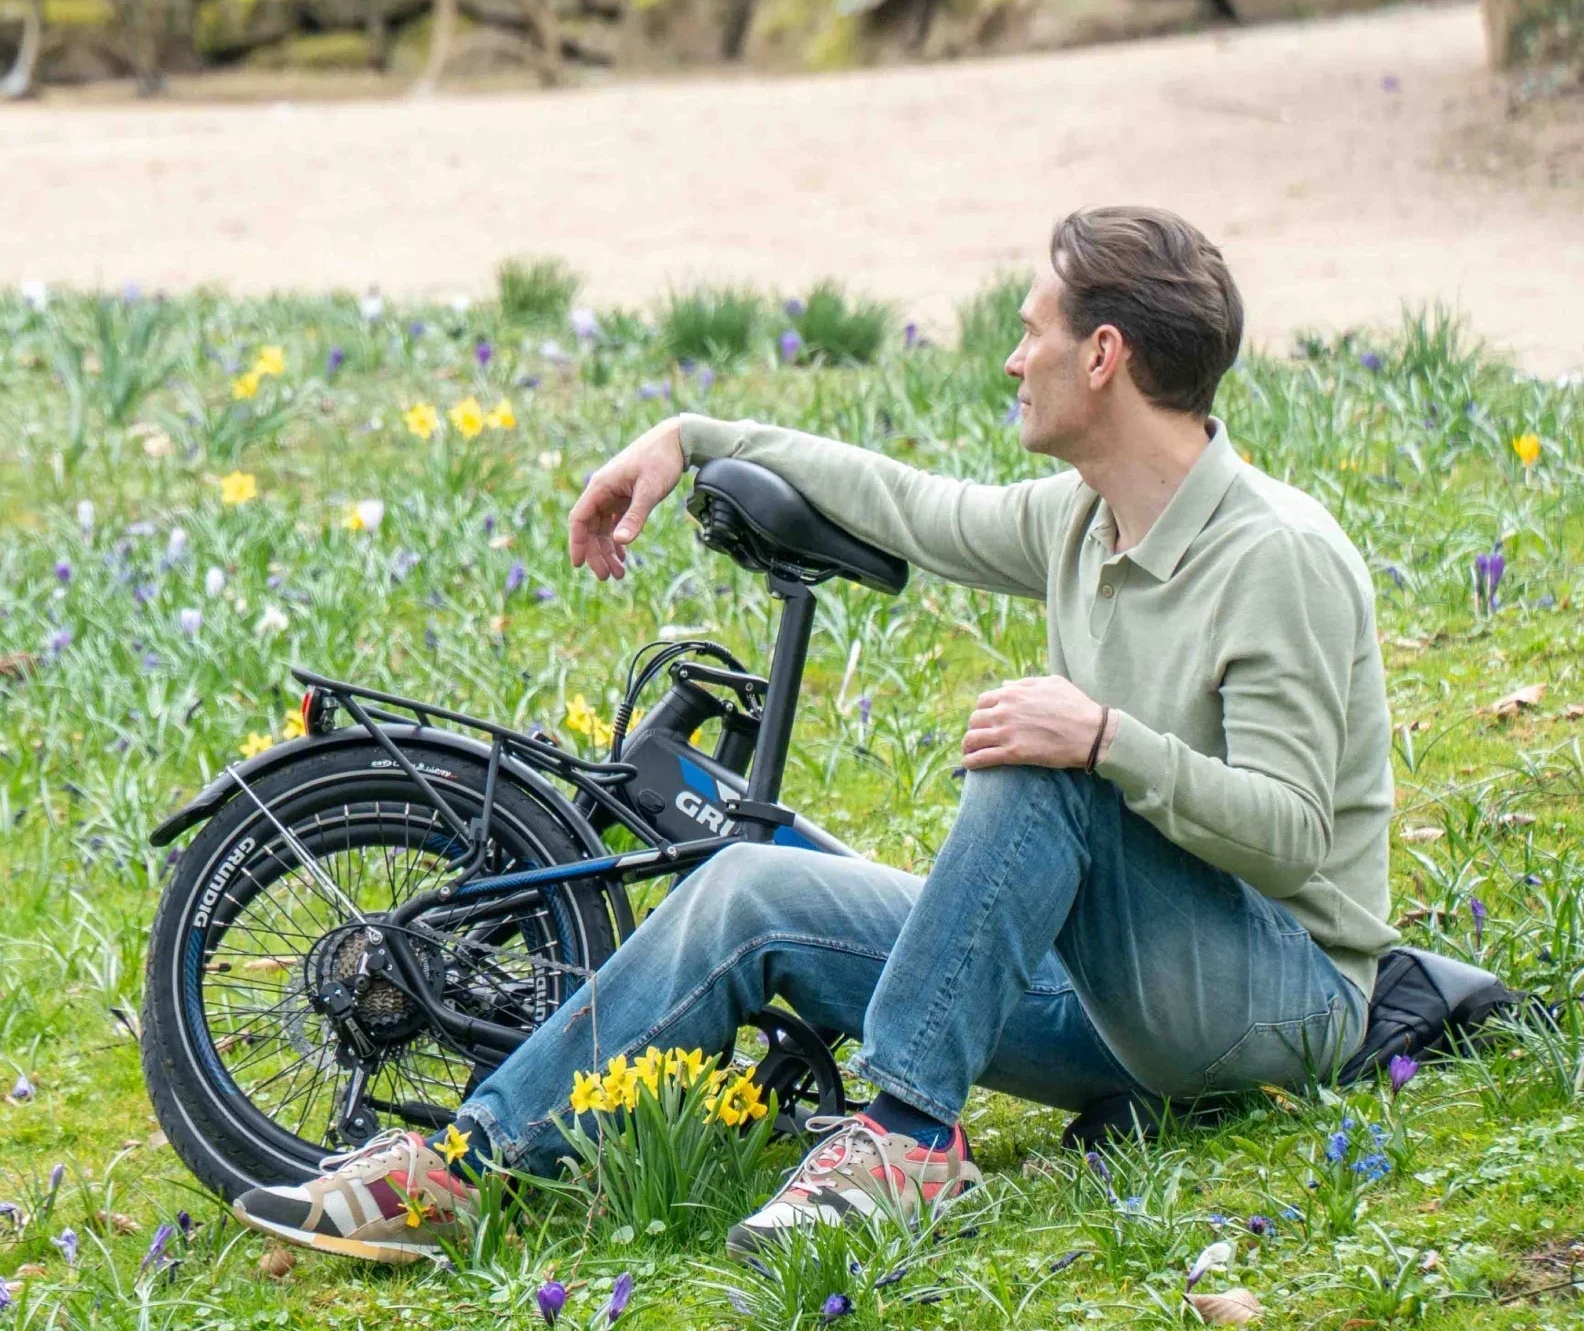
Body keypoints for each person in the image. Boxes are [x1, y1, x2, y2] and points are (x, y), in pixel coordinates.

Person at [231, 206, 1397, 1265]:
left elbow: (1293, 837)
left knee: (1042, 759)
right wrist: (690, 435)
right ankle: (469, 1166)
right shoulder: (1081, 521)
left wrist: (1102, 741)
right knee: (750, 888)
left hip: (1273, 1002)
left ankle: (905, 1139)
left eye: (1029, 331)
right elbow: (907, 504)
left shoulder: (1272, 556)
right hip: (1105, 1001)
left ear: (1102, 355)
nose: (1011, 359)